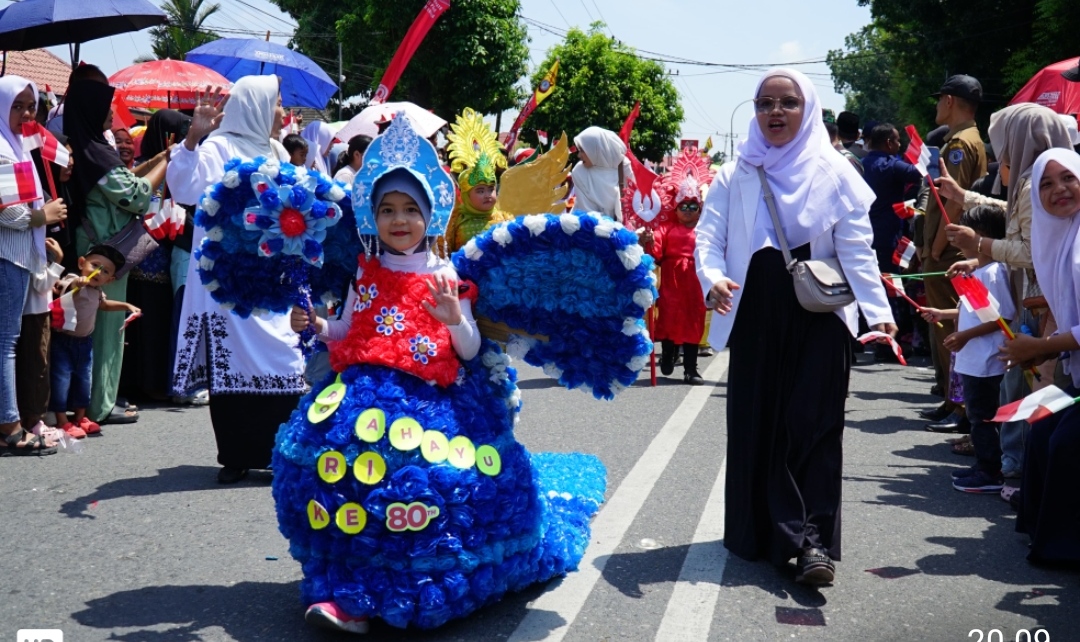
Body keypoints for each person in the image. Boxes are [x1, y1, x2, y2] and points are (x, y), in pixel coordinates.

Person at [695, 68, 895, 585]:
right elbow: (708, 238)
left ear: (809, 110)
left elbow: (856, 250)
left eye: (787, 102)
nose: (775, 112)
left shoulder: (834, 172)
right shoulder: (733, 173)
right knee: (757, 423)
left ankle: (812, 544)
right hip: (754, 315)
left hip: (819, 316)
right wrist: (712, 279)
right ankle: (758, 532)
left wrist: (879, 314)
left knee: (813, 428)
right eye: (765, 103)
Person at [166, 76, 305, 484]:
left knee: (284, 355)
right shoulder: (219, 146)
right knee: (235, 363)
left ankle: (281, 451)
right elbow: (185, 188)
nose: (283, 112)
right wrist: (193, 137)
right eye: (277, 104)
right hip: (228, 279)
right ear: (257, 106)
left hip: (272, 274)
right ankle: (238, 454)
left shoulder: (278, 150)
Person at [937, 104, 1072, 476]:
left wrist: (980, 245)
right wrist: (965, 197)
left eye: (1006, 136)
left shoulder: (1038, 180)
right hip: (1043, 301)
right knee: (1027, 391)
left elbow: (1028, 250)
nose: (1001, 147)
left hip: (1048, 306)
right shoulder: (1038, 178)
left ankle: (1019, 472)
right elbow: (1013, 218)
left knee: (1039, 393)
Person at [64, 69, 166, 426]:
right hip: (101, 254)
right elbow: (136, 197)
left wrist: (155, 159)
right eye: (106, 107)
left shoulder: (88, 146)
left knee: (98, 325)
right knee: (104, 328)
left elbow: (127, 179)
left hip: (98, 248)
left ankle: (99, 401)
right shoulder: (94, 150)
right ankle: (99, 404)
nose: (112, 114)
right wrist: (168, 160)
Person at [1003, 148, 1080, 566]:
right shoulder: (1062, 235)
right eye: (1046, 184)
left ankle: (1063, 549)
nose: (1058, 191)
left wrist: (1040, 347)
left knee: (1066, 442)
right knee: (1043, 431)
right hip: (1075, 371)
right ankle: (1042, 535)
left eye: (1067, 178)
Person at [921, 204, 1012, 493]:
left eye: (963, 231)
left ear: (981, 236)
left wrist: (965, 337)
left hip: (987, 361)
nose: (956, 237)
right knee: (977, 415)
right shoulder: (981, 271)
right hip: (974, 360)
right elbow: (976, 311)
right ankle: (984, 465)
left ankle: (990, 472)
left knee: (983, 417)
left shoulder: (994, 273)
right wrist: (944, 314)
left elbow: (1002, 318)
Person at [0, 75, 67, 455]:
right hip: (7, 254)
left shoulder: (17, 147)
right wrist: (42, 217)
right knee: (6, 342)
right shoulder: (3, 150)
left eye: (30, 106)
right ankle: (10, 426)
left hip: (20, 254)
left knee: (9, 340)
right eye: (17, 106)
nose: (26, 113)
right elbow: (8, 213)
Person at [919, 74, 988, 433]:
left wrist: (936, 247)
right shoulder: (968, 138)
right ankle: (953, 401)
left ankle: (960, 407)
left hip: (949, 251)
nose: (935, 106)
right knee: (951, 326)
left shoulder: (960, 143)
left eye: (938, 99)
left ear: (949, 100)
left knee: (950, 327)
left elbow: (955, 201)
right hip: (952, 248)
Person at [50, 245, 140, 438]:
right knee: (61, 380)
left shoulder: (97, 292)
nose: (98, 272)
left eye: (105, 271)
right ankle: (62, 420)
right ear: (82, 263)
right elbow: (67, 289)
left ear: (110, 280)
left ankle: (80, 417)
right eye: (95, 265)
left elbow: (104, 305)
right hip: (63, 341)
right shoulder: (73, 280)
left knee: (84, 380)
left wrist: (126, 305)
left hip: (84, 342)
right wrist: (79, 283)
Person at [445, 108, 510, 253]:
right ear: (466, 194)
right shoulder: (454, 221)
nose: (487, 195)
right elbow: (444, 254)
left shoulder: (506, 219)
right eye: (480, 190)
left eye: (491, 189)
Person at [571, 126, 627, 221]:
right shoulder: (579, 172)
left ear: (596, 149)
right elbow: (588, 213)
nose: (579, 155)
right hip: (589, 228)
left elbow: (634, 203)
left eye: (582, 150)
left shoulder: (624, 166)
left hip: (622, 231)